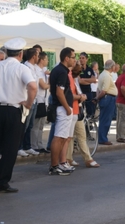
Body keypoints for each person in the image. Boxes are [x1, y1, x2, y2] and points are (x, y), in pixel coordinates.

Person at [0, 37, 37, 193]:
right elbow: (33, 87)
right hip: (13, 110)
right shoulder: (21, 68)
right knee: (10, 148)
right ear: (21, 54)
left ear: (6, 52)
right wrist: (28, 103)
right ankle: (2, 182)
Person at [48, 47, 76, 175]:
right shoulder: (62, 72)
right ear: (66, 58)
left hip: (60, 107)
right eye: (73, 57)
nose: (74, 60)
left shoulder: (58, 70)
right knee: (59, 137)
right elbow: (59, 92)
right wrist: (67, 108)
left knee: (63, 137)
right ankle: (54, 166)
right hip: (62, 108)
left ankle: (59, 164)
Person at [67, 64, 100, 168]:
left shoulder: (75, 79)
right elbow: (70, 95)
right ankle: (87, 159)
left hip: (77, 110)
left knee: (72, 136)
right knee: (79, 135)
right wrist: (80, 97)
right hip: (73, 109)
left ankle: (69, 158)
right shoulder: (70, 78)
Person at [18, 48, 40, 157]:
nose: (38, 57)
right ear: (33, 56)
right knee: (24, 124)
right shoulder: (25, 67)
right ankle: (19, 147)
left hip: (34, 100)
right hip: (27, 99)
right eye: (37, 55)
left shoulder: (35, 68)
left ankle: (27, 146)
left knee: (30, 124)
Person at [94, 60, 118, 145]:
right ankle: (103, 138)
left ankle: (102, 137)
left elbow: (98, 89)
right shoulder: (107, 76)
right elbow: (104, 90)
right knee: (106, 119)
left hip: (105, 98)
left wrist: (97, 98)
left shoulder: (102, 74)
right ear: (112, 67)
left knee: (103, 119)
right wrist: (97, 97)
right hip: (108, 98)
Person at [31, 51, 50, 153]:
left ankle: (40, 144)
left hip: (45, 100)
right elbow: (44, 86)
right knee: (36, 125)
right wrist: (51, 81)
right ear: (42, 60)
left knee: (42, 124)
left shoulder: (44, 71)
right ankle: (34, 145)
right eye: (46, 59)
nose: (47, 61)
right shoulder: (38, 71)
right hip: (39, 100)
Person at [79, 52, 97, 118]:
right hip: (80, 92)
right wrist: (89, 80)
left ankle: (89, 125)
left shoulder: (90, 69)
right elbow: (79, 81)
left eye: (83, 58)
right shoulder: (78, 69)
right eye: (80, 58)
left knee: (90, 111)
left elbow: (94, 80)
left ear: (86, 59)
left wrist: (84, 79)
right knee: (80, 112)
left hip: (89, 92)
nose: (81, 59)